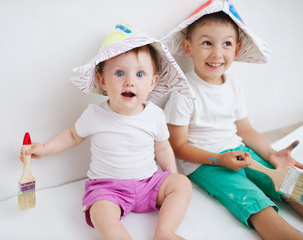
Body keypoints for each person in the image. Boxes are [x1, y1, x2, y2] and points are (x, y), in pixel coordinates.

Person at [20, 23, 194, 240]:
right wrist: (45, 148)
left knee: (182, 184)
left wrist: (170, 177)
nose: (129, 81)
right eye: (119, 73)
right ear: (102, 80)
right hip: (108, 189)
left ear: (152, 82)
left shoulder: (154, 115)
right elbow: (73, 135)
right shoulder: (94, 114)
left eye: (140, 74)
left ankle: (164, 232)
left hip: (148, 183)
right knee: (100, 211)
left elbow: (163, 147)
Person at [162, 1, 303, 239]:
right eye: (207, 43)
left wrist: (271, 155)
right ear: (188, 47)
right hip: (205, 163)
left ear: (236, 50)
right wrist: (220, 160)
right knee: (257, 204)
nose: (217, 53)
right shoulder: (183, 92)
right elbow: (178, 147)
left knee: (290, 186)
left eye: (226, 44)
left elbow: (245, 130)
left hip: (240, 151)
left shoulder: (234, 86)